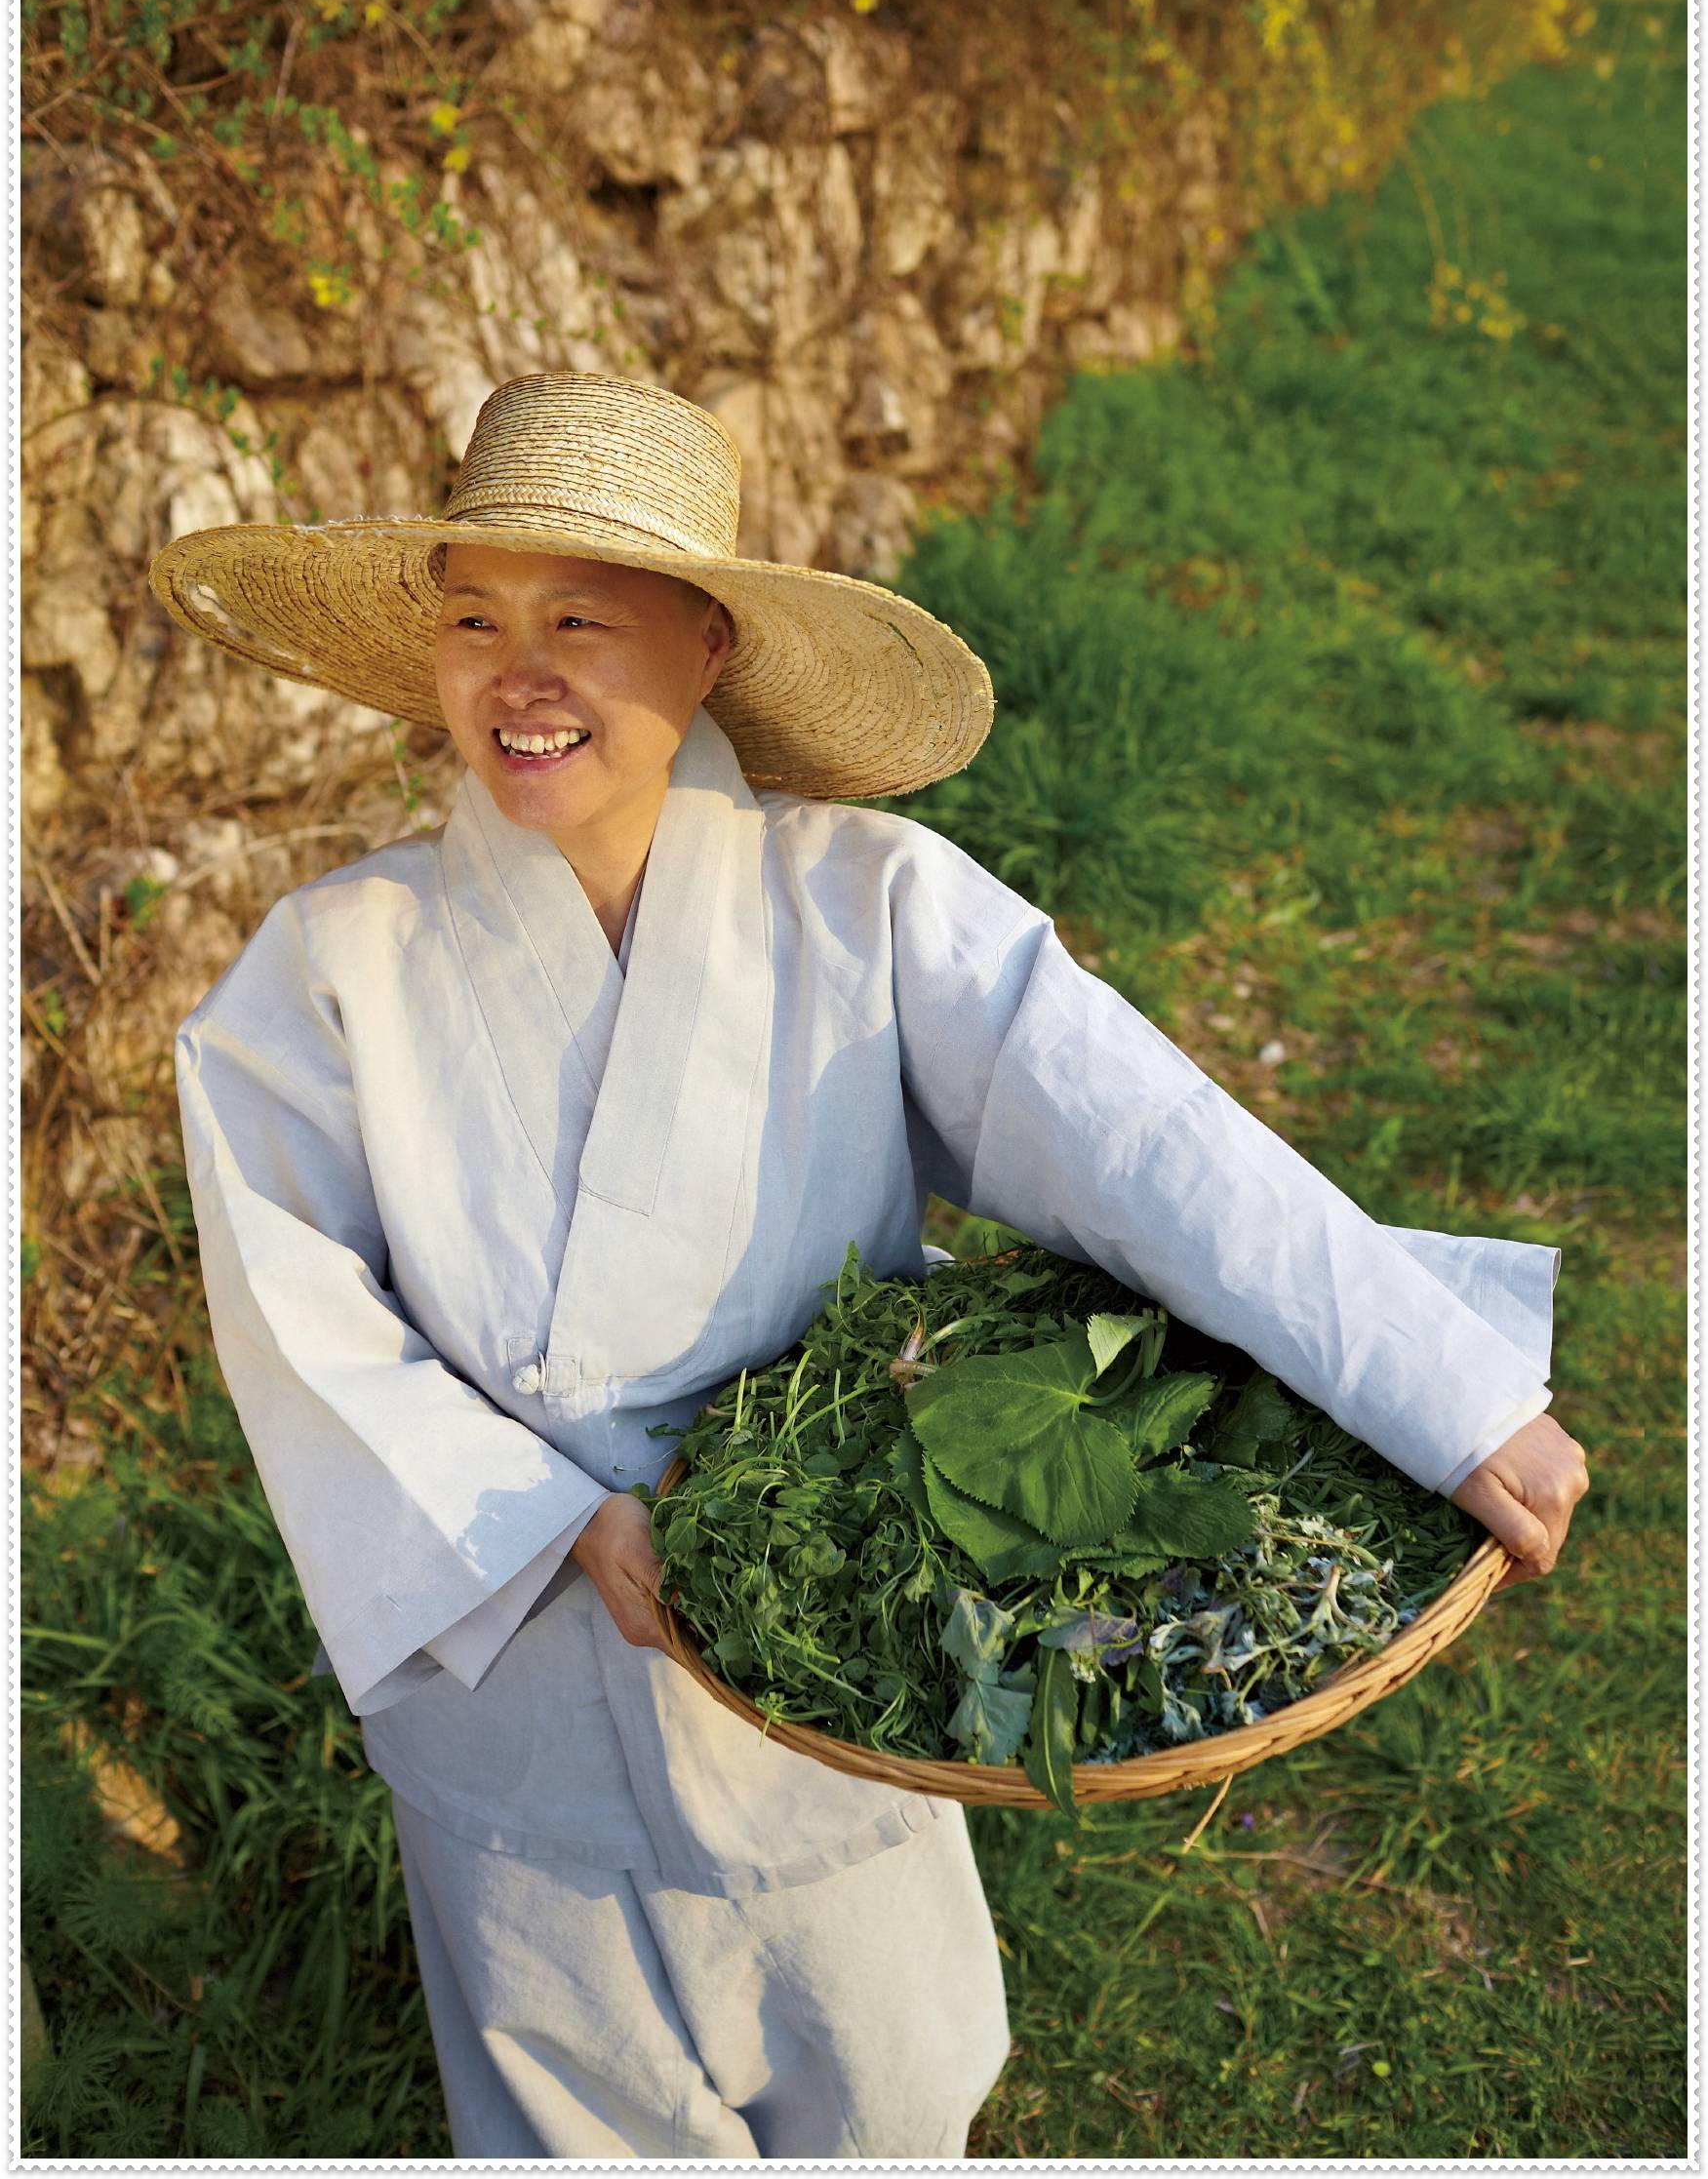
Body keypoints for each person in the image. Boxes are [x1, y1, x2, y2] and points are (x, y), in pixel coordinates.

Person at [149, 369, 1589, 2159]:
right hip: (505, 1638)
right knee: (568, 2084)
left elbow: (1143, 1142)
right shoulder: (326, 964)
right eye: (474, 619)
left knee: (895, 2076)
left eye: (581, 621)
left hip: (818, 1633)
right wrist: (554, 1518)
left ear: (709, 646)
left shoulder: (866, 900)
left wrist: (1443, 1393)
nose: (519, 675)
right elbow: (295, 1312)